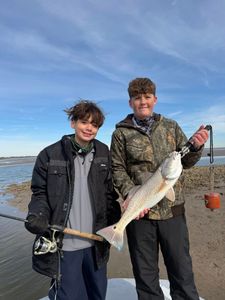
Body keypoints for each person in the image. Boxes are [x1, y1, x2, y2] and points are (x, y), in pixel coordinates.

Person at [110, 77, 209, 300]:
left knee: (182, 272)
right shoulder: (120, 134)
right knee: (145, 277)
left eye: (147, 97)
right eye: (137, 98)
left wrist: (197, 147)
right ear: (130, 103)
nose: (142, 102)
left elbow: (187, 160)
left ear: (155, 99)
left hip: (172, 213)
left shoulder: (171, 126)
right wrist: (129, 194)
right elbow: (117, 169)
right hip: (139, 216)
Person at [25, 100, 121, 300]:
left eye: (94, 125)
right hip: (65, 245)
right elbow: (39, 192)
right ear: (73, 123)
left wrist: (116, 222)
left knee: (97, 294)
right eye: (84, 122)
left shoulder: (104, 152)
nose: (89, 128)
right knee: (68, 296)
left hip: (96, 243)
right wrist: (38, 214)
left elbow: (109, 194)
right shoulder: (49, 154)